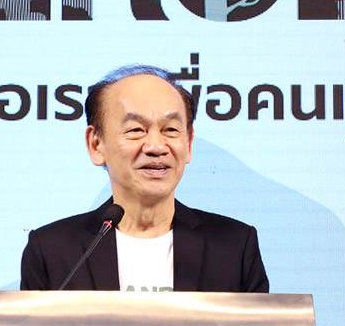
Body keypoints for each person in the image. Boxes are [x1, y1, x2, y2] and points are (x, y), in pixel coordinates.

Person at [20, 64, 269, 292]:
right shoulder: (52, 252)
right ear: (96, 144)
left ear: (189, 143)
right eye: (136, 130)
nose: (156, 147)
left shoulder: (234, 247)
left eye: (170, 130)